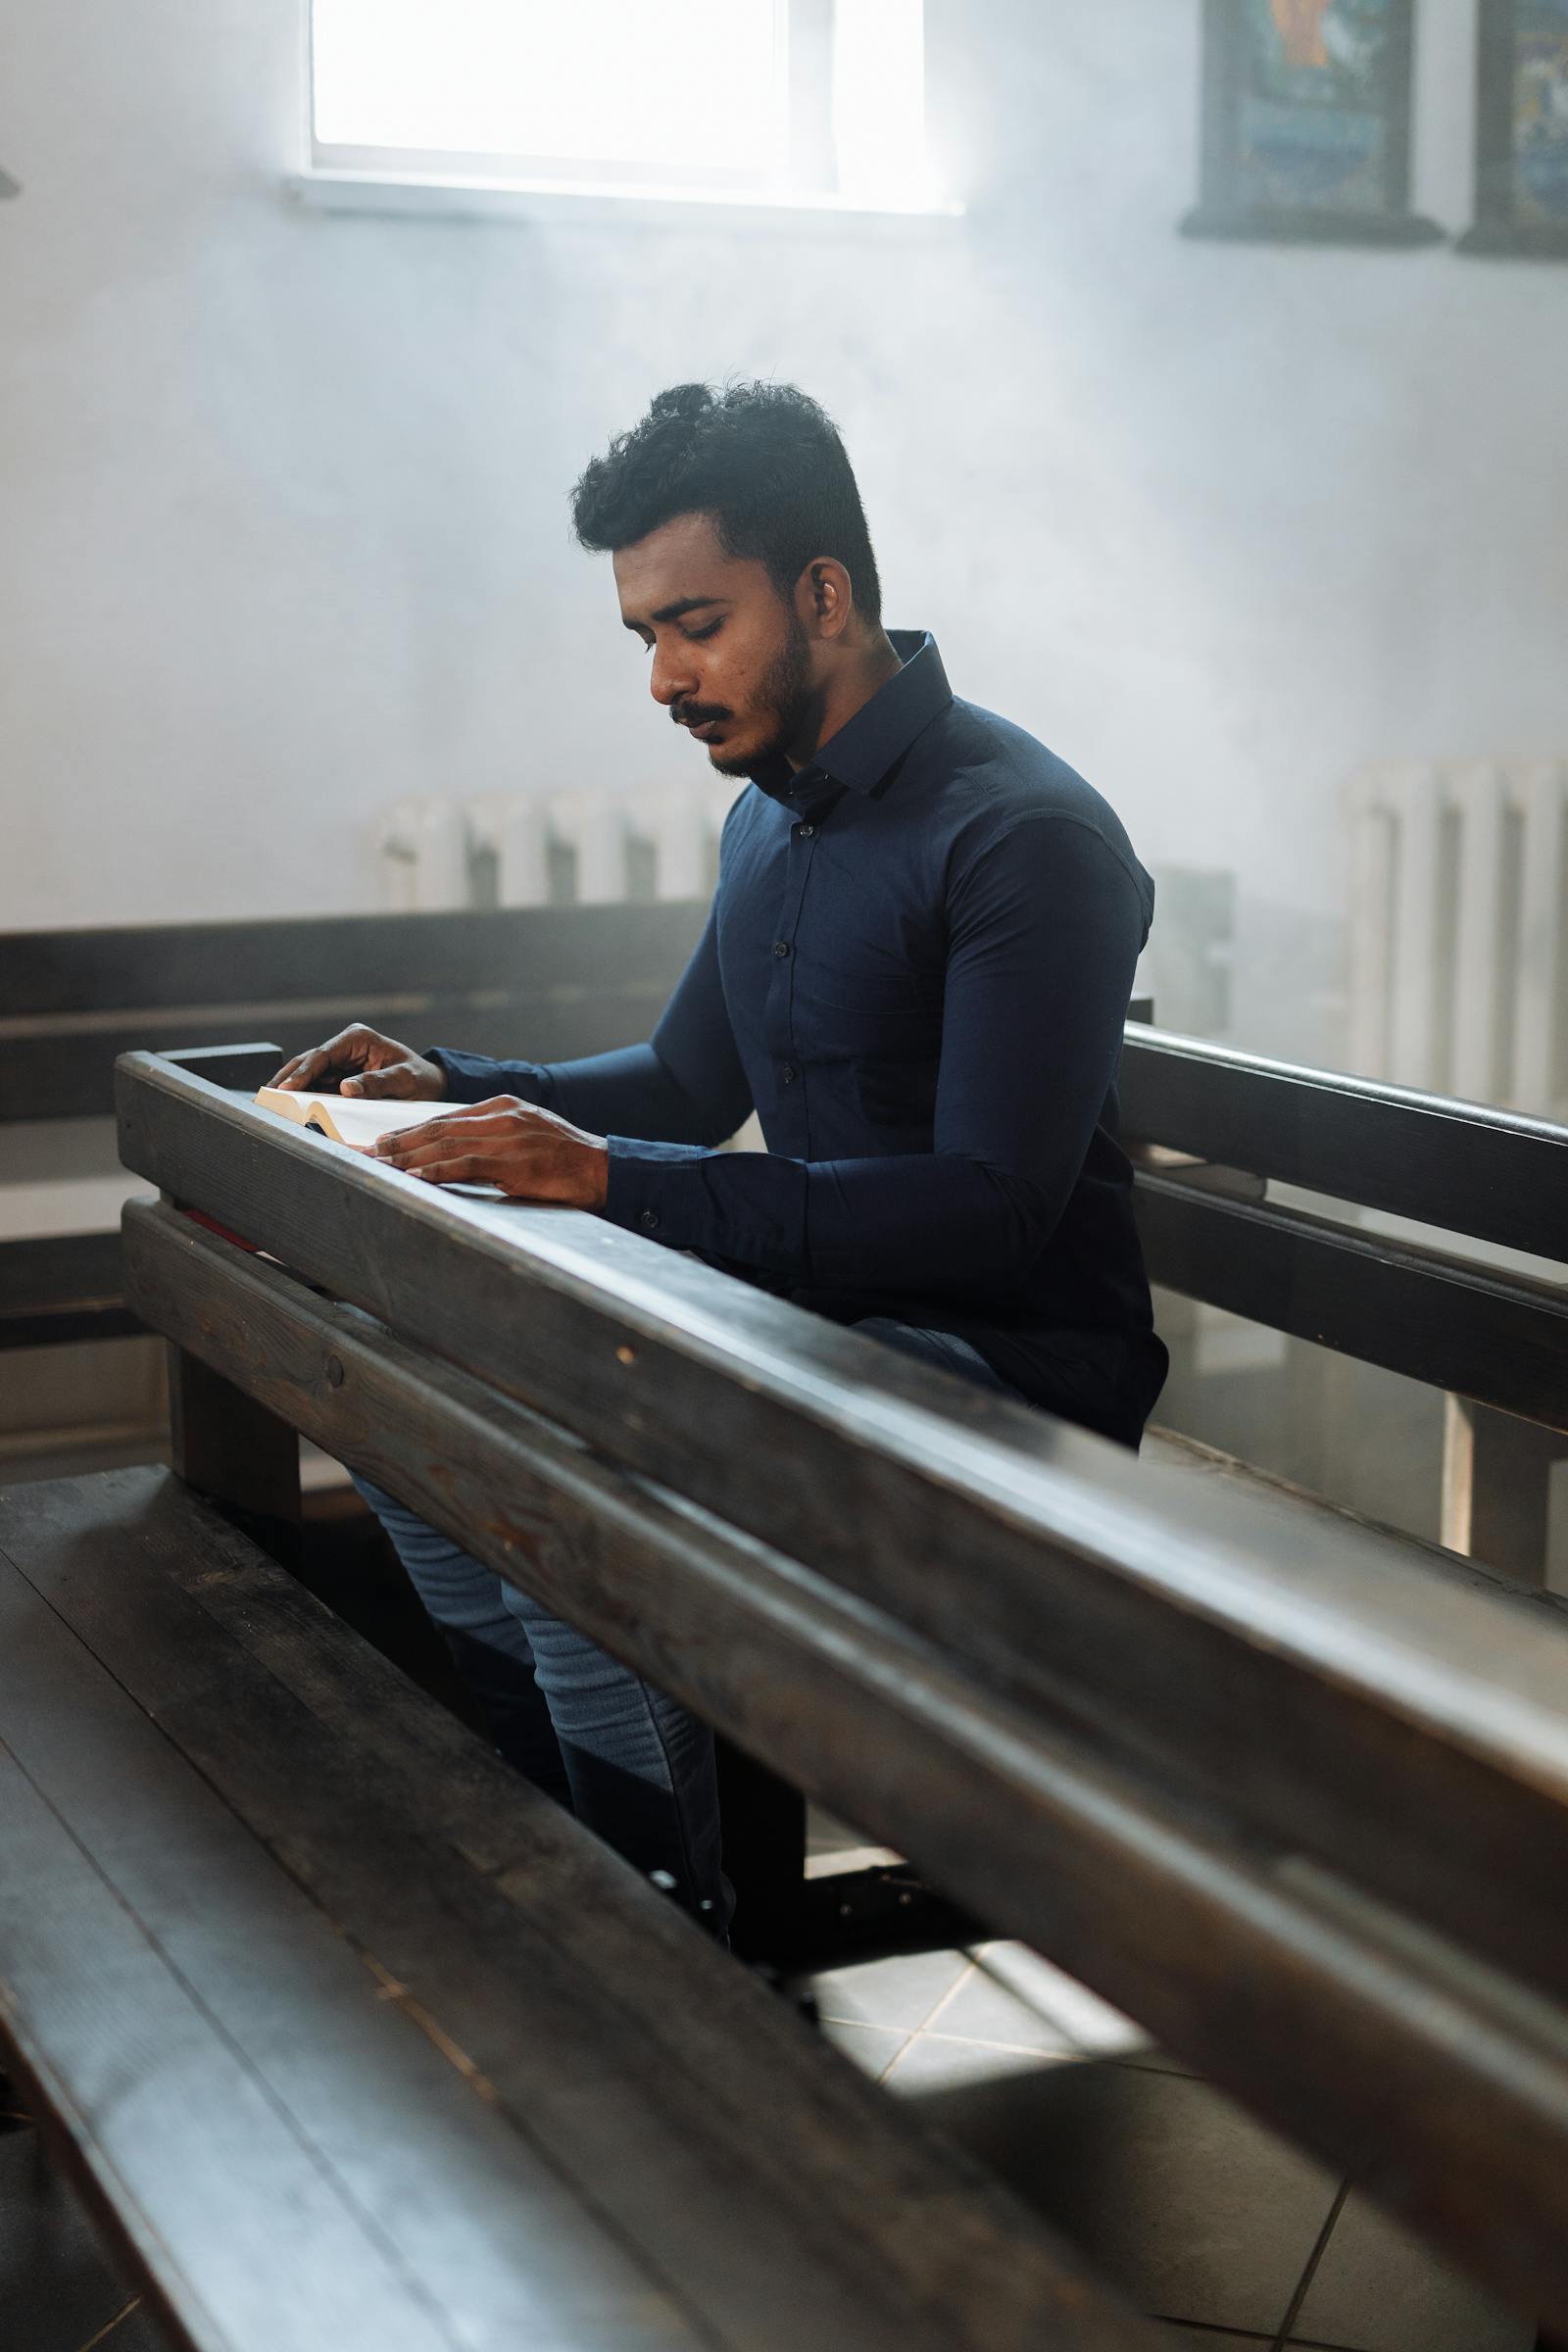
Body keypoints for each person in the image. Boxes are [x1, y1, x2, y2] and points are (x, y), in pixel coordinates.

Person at [272, 380, 1167, 1936]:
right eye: (644, 638)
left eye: (696, 626)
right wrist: (453, 1090)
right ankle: (584, 1873)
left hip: (1013, 1379)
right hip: (822, 1333)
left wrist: (612, 1181)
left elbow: (992, 1212)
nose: (664, 678)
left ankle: (671, 1949)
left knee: (591, 1478)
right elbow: (688, 1082)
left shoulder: (1024, 834)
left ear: (822, 595)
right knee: (413, 1403)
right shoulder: (771, 811)